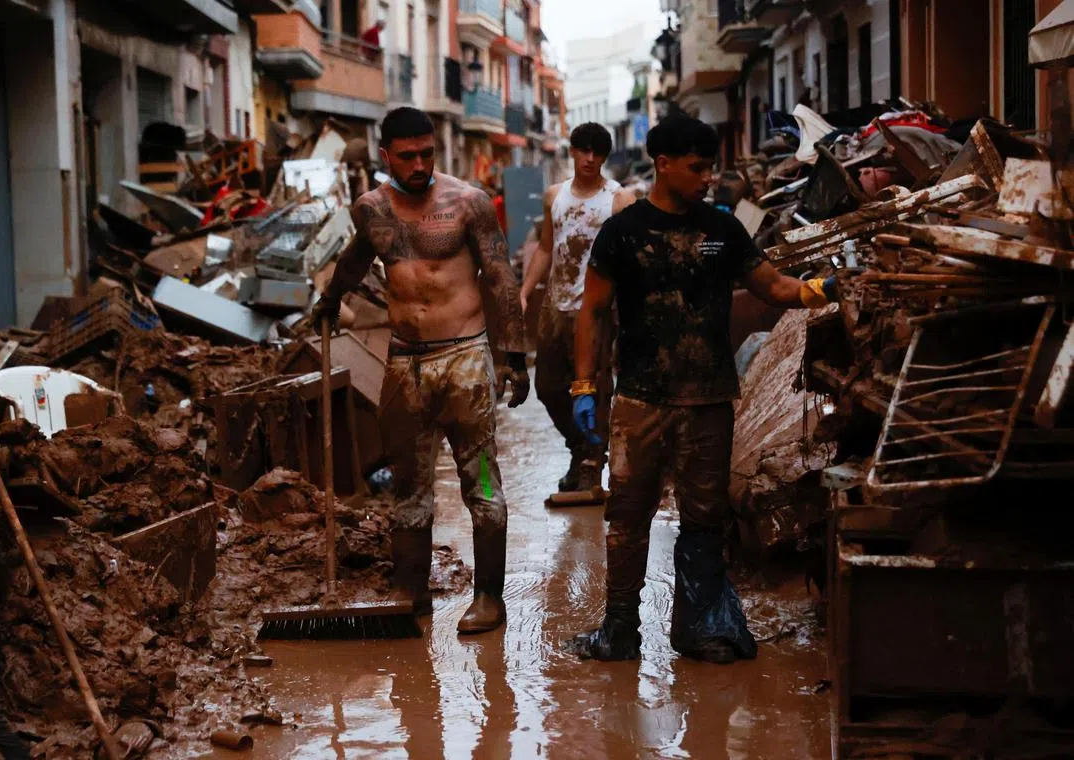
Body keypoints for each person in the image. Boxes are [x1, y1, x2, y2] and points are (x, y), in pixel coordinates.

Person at [569, 112, 845, 661]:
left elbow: (771, 286)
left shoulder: (723, 229)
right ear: (663, 164)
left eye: (711, 168)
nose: (708, 179)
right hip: (640, 401)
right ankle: (620, 629)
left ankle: (697, 628)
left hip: (710, 402)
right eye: (697, 168)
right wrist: (583, 386)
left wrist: (823, 288)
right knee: (627, 518)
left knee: (703, 519)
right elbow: (593, 311)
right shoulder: (623, 233)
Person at [312, 107, 529, 634]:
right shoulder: (371, 209)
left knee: (480, 480)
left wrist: (514, 356)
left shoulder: (468, 203)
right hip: (406, 365)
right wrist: (330, 299)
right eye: (407, 156)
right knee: (408, 485)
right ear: (386, 155)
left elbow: (500, 276)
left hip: (465, 365)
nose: (418, 164)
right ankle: (412, 591)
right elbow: (355, 260)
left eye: (426, 154)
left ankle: (488, 599)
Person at [519, 123, 635, 495]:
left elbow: (630, 257)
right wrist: (524, 290)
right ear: (571, 152)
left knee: (595, 388)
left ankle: (590, 465)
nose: (590, 159)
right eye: (583, 151)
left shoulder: (619, 200)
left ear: (604, 156)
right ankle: (579, 448)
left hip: (599, 307)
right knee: (549, 388)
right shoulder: (555, 196)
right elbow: (545, 247)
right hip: (556, 303)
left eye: (597, 152)